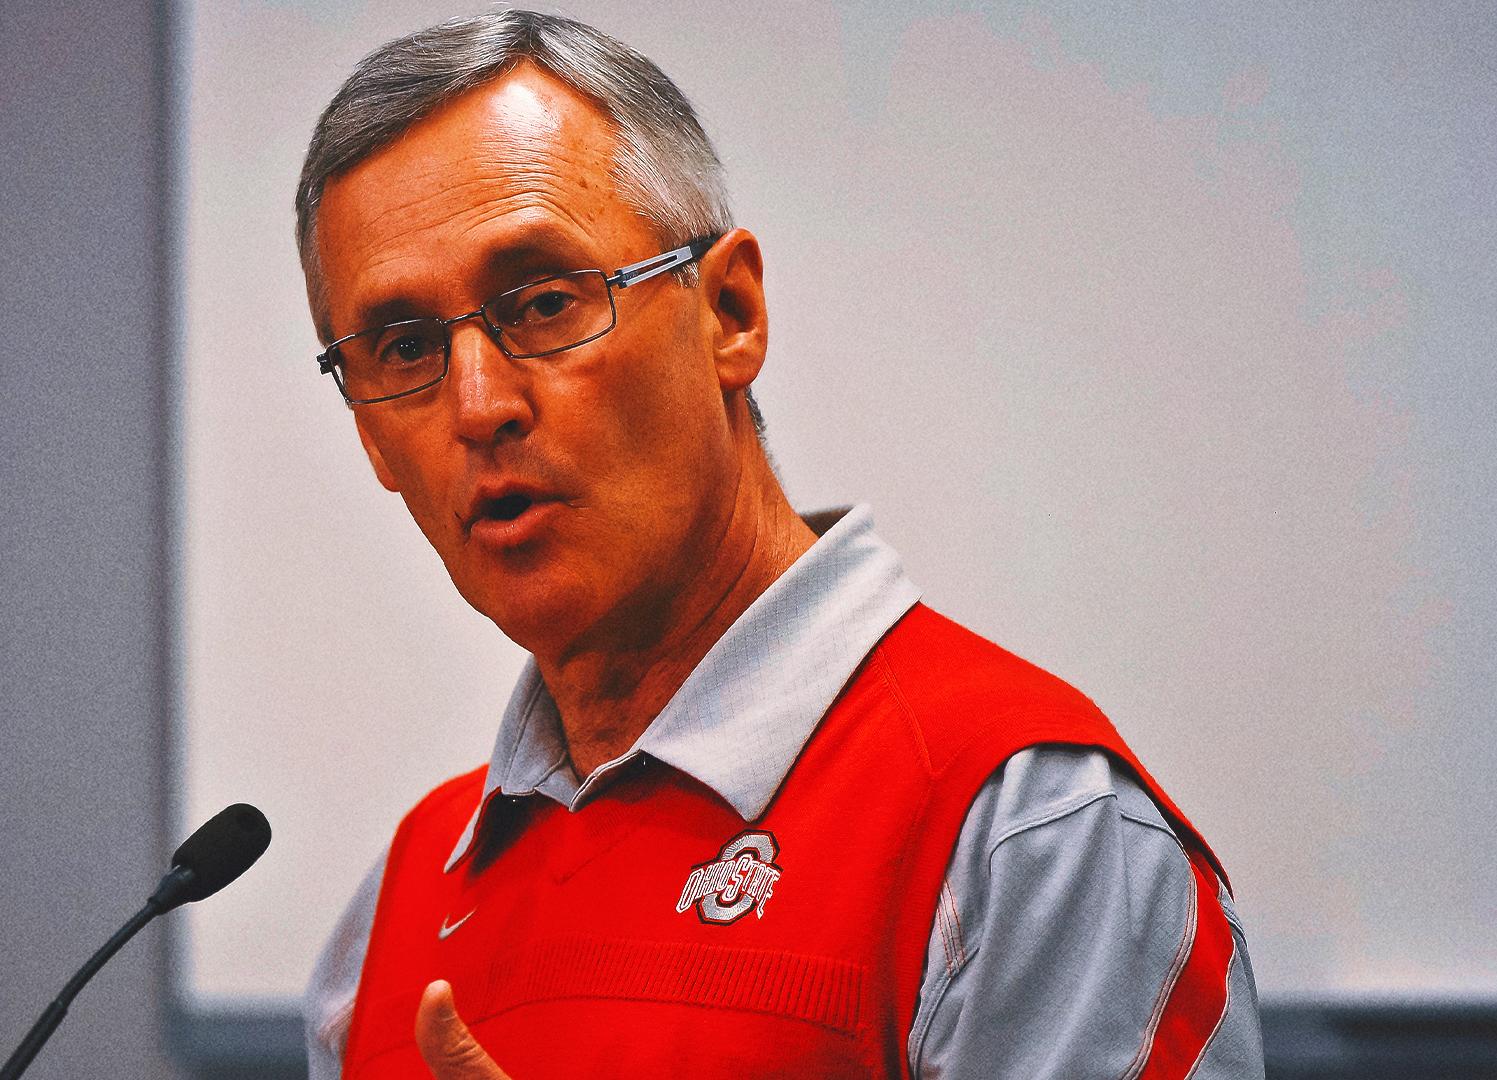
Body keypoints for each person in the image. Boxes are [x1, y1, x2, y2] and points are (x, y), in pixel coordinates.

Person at [293, 11, 1262, 1079]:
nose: (478, 405)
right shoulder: (395, 909)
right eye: (401, 347)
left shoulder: (1019, 826)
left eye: (542, 302)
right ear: (369, 436)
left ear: (731, 312)